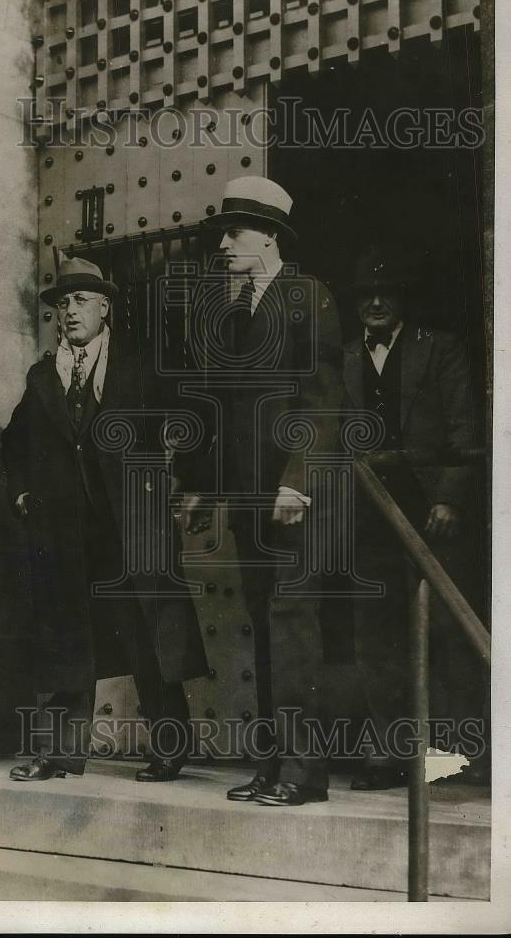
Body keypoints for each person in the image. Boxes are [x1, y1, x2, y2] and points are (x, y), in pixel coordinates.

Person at [2, 255, 207, 783]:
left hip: (132, 525)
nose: (69, 312)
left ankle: (168, 749)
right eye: (62, 303)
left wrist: (185, 481)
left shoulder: (138, 365)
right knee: (68, 636)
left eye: (81, 301)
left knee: (150, 636)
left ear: (105, 308)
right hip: (70, 533)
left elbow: (190, 420)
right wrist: (23, 491)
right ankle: (60, 754)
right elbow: (14, 443)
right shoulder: (43, 374)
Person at [184, 176, 346, 806]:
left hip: (290, 499)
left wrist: (298, 482)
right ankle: (273, 766)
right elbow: (227, 413)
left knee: (293, 625)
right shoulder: (236, 311)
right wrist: (202, 486)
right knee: (265, 623)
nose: (224, 244)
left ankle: (304, 773)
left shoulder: (308, 297)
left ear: (271, 236)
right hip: (250, 499)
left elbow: (324, 402)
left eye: (236, 232)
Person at [343, 245, 488, 788]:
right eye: (366, 296)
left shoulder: (440, 350)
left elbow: (465, 435)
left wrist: (450, 497)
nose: (376, 303)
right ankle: (390, 755)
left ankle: (458, 755)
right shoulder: (344, 359)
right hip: (369, 516)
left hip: (431, 516)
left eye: (387, 294)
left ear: (403, 299)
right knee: (376, 639)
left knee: (448, 633)